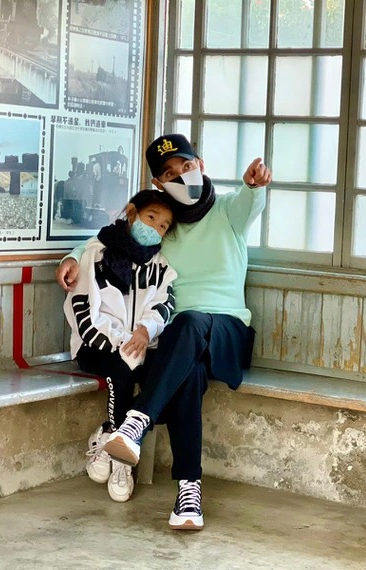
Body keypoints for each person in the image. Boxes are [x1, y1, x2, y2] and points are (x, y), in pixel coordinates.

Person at [56, 133, 272, 530]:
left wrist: (254, 185)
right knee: (188, 372)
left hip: (226, 331)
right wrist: (72, 256)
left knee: (189, 322)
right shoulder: (163, 224)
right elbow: (112, 236)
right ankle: (189, 493)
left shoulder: (228, 211)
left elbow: (250, 201)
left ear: (200, 165)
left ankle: (134, 422)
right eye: (170, 174)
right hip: (177, 342)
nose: (182, 176)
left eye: (187, 166)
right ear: (159, 183)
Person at [63, 189, 178, 503]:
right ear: (131, 213)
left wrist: (145, 330)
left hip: (142, 345)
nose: (155, 228)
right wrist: (124, 342)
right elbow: (84, 311)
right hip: (96, 345)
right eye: (150, 217)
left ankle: (108, 436)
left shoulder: (160, 265)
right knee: (122, 372)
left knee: (168, 386)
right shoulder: (96, 254)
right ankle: (121, 463)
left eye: (163, 226)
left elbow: (165, 303)